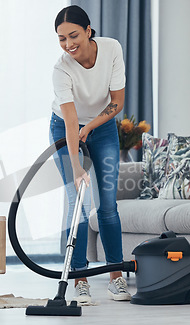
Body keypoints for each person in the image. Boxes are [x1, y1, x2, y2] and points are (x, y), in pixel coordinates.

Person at [49, 5, 131, 303]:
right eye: (61, 39)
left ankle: (116, 277)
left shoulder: (111, 49)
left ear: (88, 31)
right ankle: (79, 278)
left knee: (108, 204)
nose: (68, 44)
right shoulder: (61, 69)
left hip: (104, 126)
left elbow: (117, 101)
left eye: (73, 36)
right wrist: (76, 167)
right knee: (78, 203)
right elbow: (71, 122)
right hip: (65, 129)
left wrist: (93, 125)